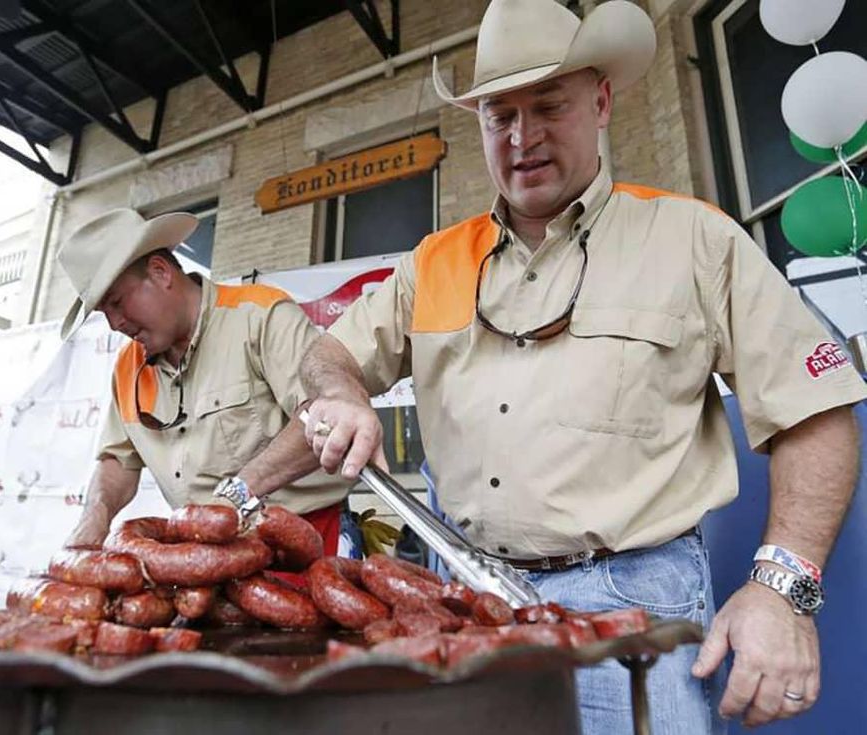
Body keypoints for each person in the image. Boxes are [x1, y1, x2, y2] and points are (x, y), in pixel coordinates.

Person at [295, 1, 867, 733]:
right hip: (464, 601)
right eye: (499, 114)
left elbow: (816, 411)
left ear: (600, 102)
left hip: (635, 603)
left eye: (548, 106)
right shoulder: (433, 262)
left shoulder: (693, 238)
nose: (522, 137)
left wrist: (783, 590)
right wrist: (341, 391)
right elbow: (327, 353)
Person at [56, 207, 348, 553]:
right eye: (104, 313)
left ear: (161, 272)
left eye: (117, 303)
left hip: (304, 539)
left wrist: (236, 495)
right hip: (200, 550)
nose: (115, 324)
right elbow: (119, 459)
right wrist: (95, 517)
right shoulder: (127, 367)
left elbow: (323, 418)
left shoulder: (260, 316)